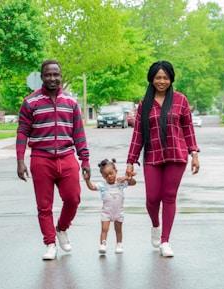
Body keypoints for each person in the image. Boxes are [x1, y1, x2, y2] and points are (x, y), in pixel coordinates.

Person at [16, 59, 91, 260]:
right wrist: (20, 159)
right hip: (41, 158)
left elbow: (79, 133)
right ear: (41, 77)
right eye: (48, 75)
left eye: (55, 74)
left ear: (60, 76)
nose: (52, 78)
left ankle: (61, 228)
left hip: (67, 156)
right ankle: (50, 243)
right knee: (44, 205)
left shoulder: (71, 102)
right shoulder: (30, 102)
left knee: (73, 198)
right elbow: (22, 131)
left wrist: (85, 161)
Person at [125, 60, 200, 257]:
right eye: (158, 77)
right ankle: (155, 225)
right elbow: (138, 134)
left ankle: (165, 241)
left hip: (176, 155)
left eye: (165, 78)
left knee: (169, 197)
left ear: (171, 79)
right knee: (152, 199)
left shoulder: (180, 100)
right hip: (152, 155)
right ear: (151, 79)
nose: (161, 81)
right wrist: (131, 160)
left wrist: (194, 154)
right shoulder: (144, 105)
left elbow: (188, 129)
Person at [83, 158, 136, 255]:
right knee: (104, 229)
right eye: (106, 175)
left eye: (111, 173)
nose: (109, 176)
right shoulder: (102, 185)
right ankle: (103, 244)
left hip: (118, 212)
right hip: (106, 212)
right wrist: (87, 180)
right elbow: (92, 187)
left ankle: (119, 244)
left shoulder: (120, 182)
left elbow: (133, 183)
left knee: (118, 229)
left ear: (116, 171)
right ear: (102, 176)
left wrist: (128, 178)